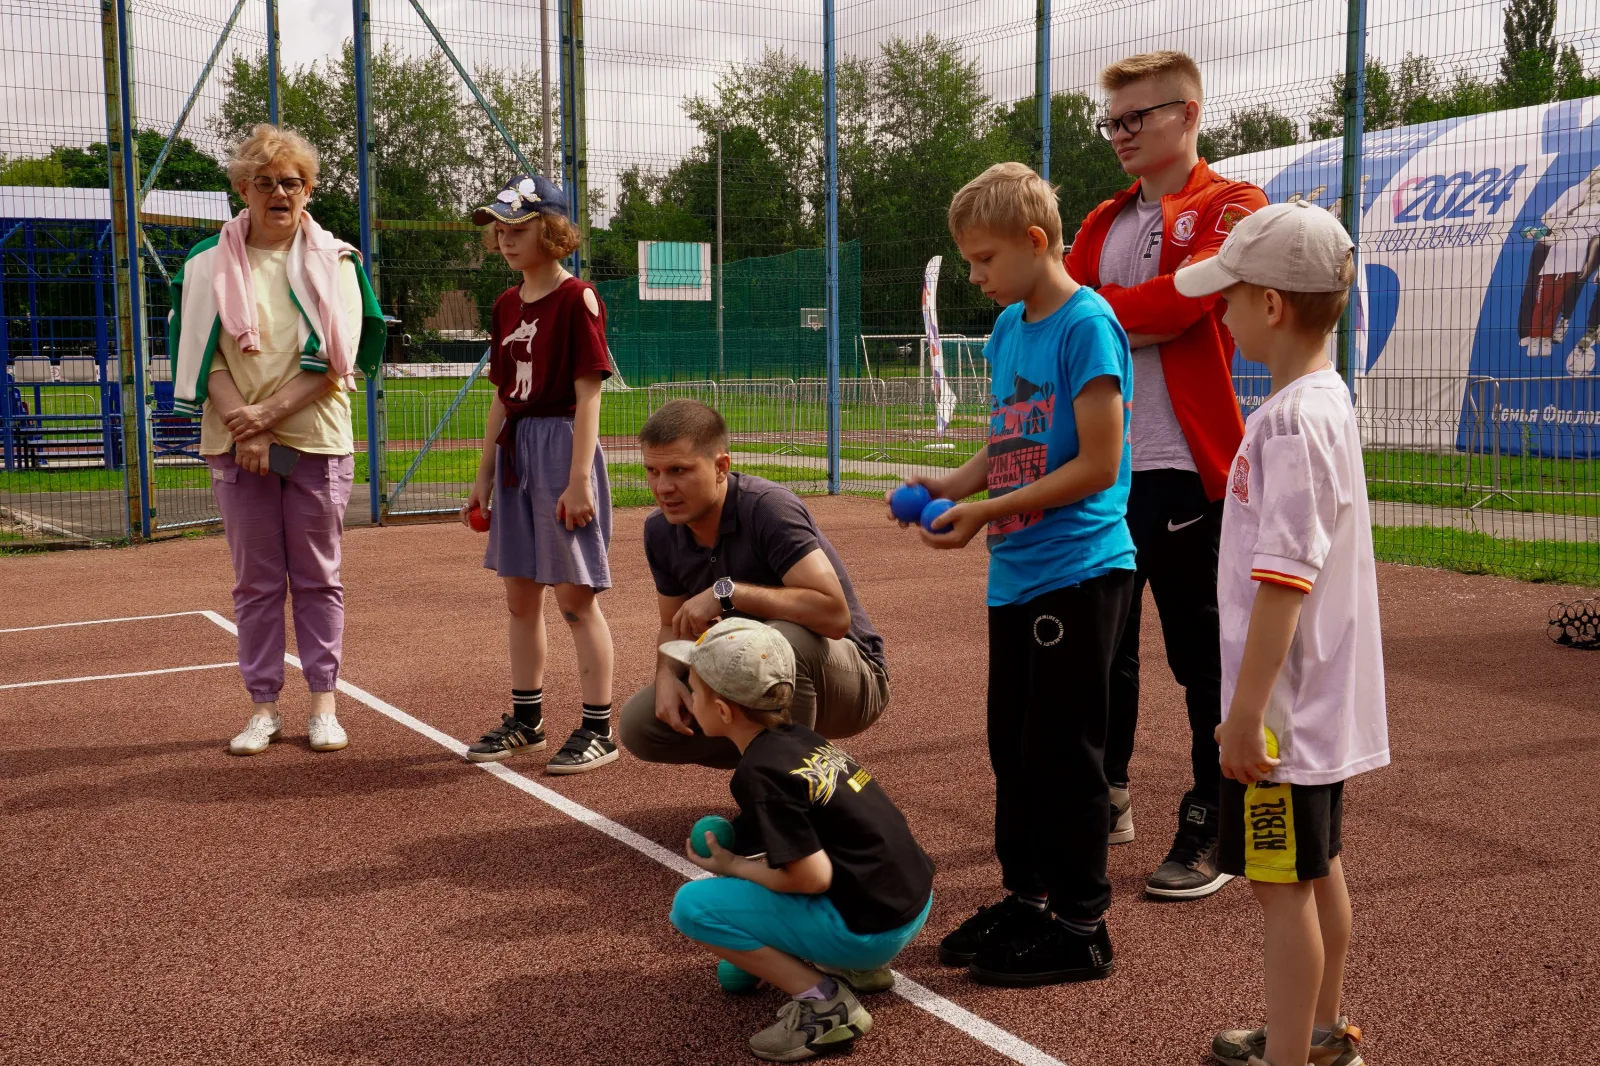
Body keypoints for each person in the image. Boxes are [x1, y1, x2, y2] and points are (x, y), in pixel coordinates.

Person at [896, 162, 1135, 987]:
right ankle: (1028, 900)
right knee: (1014, 750)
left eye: (985, 260)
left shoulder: (1086, 326)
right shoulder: (1007, 332)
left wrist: (988, 514)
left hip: (1079, 571)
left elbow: (1100, 463)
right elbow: (1011, 439)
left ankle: (1083, 925)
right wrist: (954, 488)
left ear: (1036, 243)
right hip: (1018, 575)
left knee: (1064, 754)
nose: (974, 276)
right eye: (966, 261)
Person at [1171, 201, 1389, 1066]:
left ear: (1269, 305)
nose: (1217, 312)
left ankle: (1292, 1056)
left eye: (1227, 295)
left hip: (1281, 718)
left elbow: (1283, 579)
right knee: (1316, 868)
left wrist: (1243, 711)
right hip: (1312, 708)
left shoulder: (1292, 422)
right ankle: (1321, 1030)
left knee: (1278, 890)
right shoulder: (1322, 403)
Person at [1066, 50, 1268, 900]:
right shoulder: (1101, 221)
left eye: (1136, 117)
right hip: (1098, 468)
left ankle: (1212, 815)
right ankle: (1104, 797)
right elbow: (1058, 314)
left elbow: (1189, 304)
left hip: (1185, 467)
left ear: (1188, 114)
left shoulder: (1236, 206)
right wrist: (1115, 316)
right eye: (1111, 120)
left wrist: (1093, 315)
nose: (1119, 135)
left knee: (1201, 655)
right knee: (1099, 651)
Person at [169, 124, 384, 756]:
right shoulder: (204, 264)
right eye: (265, 183)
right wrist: (244, 422)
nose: (279, 193)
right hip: (235, 438)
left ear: (309, 189)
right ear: (242, 189)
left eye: (292, 182)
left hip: (314, 436)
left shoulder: (337, 261)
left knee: (318, 577)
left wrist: (263, 419)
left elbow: (334, 360)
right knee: (256, 583)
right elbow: (197, 354)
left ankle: (323, 702)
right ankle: (263, 706)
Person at [667, 618, 933, 1063]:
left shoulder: (759, 773)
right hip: (911, 906)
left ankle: (824, 1004)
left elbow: (810, 877)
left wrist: (732, 867)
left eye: (693, 690)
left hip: (871, 930)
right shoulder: (801, 740)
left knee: (693, 906)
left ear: (725, 711)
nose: (689, 699)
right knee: (760, 883)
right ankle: (856, 970)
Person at [617, 399, 889, 770]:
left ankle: (792, 793)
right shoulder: (660, 530)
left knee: (777, 642)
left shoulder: (768, 508)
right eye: (653, 471)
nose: (663, 487)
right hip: (753, 674)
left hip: (849, 678)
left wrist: (727, 593)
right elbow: (672, 624)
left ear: (720, 467)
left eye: (679, 470)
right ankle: (767, 764)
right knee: (642, 724)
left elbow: (834, 615)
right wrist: (666, 675)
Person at [458, 175, 619, 774]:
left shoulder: (578, 297)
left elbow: (588, 395)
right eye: (499, 228)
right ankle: (527, 722)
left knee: (576, 598)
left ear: (552, 232)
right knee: (519, 597)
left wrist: (580, 480)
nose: (503, 238)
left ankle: (599, 727)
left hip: (561, 447)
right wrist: (483, 471)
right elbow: (502, 394)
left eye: (517, 227)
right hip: (516, 450)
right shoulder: (504, 305)